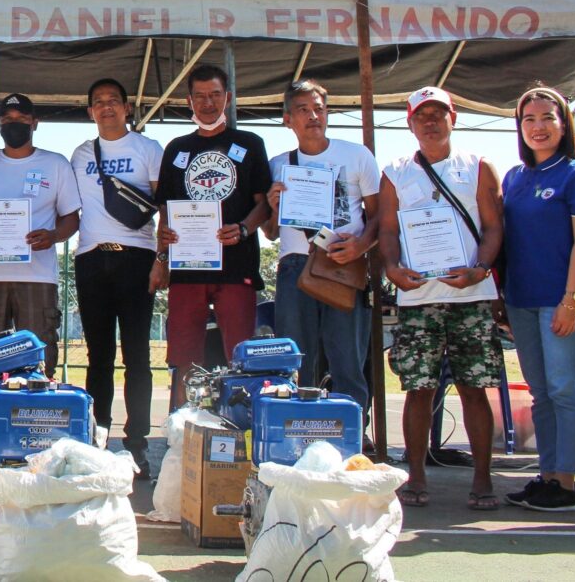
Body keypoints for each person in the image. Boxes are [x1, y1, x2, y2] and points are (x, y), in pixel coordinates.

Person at [379, 86, 504, 510]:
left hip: (472, 293)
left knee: (474, 387)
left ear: (454, 118)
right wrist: (392, 269)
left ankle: (483, 479)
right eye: (421, 115)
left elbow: (493, 227)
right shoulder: (395, 171)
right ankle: (415, 475)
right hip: (418, 297)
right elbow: (388, 231)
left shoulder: (478, 166)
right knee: (419, 389)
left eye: (439, 114)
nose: (430, 122)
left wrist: (480, 268)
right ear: (410, 123)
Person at [502, 85, 575, 512]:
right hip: (522, 300)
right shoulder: (514, 178)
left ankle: (566, 484)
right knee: (541, 393)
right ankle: (546, 476)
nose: (538, 127)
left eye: (548, 118)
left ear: (564, 124)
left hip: (561, 301)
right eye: (529, 119)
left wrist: (571, 298)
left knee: (565, 391)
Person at [154, 65, 270, 408]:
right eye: (200, 96)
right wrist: (162, 251)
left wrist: (245, 228)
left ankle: (242, 429)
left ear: (228, 98)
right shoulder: (176, 148)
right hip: (188, 269)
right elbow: (166, 209)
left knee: (240, 355)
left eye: (215, 95)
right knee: (184, 358)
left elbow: (263, 205)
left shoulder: (250, 144)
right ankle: (180, 430)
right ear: (189, 101)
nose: (208, 103)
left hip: (237, 269)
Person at [263, 80, 379, 413]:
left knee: (347, 357)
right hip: (295, 266)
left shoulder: (356, 155)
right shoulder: (277, 164)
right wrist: (273, 204)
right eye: (303, 110)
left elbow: (379, 216)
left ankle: (354, 434)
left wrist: (360, 246)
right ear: (288, 119)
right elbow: (271, 232)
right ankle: (299, 429)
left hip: (343, 263)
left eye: (319, 109)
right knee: (298, 358)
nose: (313, 116)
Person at [71, 78, 164, 478]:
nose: (106, 107)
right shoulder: (79, 154)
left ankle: (138, 443)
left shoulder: (149, 149)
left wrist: (163, 259)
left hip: (137, 258)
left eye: (113, 101)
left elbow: (168, 207)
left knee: (138, 357)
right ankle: (97, 438)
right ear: (90, 111)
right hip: (91, 258)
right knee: (98, 357)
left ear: (128, 108)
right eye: (98, 103)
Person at [0, 94, 80, 376]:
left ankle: (36, 416)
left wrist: (53, 236)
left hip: (37, 276)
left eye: (22, 120)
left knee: (38, 361)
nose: (15, 125)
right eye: (8, 119)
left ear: (35, 123)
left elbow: (71, 218)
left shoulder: (56, 164)